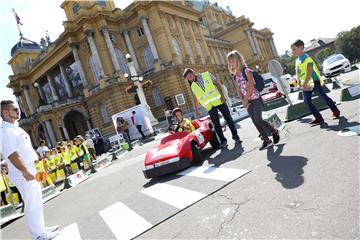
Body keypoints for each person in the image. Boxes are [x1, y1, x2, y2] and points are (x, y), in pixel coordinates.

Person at [0, 100, 59, 240]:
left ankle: (41, 228)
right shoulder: (6, 130)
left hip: (28, 168)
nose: (18, 110)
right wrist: (25, 172)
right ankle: (38, 235)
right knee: (32, 203)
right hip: (22, 172)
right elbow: (12, 154)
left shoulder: (15, 127)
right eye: (15, 109)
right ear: (5, 112)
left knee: (37, 200)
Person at [227, 50, 280, 150]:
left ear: (238, 60)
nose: (231, 63)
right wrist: (243, 101)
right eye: (229, 62)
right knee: (255, 121)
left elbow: (251, 87)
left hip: (255, 98)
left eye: (232, 60)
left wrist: (245, 99)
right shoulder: (235, 75)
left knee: (258, 119)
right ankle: (266, 140)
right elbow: (238, 89)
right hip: (248, 101)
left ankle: (274, 131)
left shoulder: (247, 71)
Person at [183, 68, 241, 148]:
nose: (190, 79)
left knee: (228, 119)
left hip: (219, 100)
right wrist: (196, 111)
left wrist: (222, 96)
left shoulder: (206, 75)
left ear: (193, 73)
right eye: (188, 79)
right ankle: (223, 141)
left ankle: (236, 137)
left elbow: (217, 84)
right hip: (210, 106)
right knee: (216, 125)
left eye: (190, 76)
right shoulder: (193, 86)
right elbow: (196, 98)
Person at [291, 39, 340, 124]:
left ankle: (336, 111)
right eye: (292, 50)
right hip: (305, 85)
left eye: (294, 49)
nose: (293, 51)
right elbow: (298, 73)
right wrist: (298, 82)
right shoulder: (297, 61)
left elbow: (309, 73)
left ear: (301, 47)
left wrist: (304, 84)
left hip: (314, 82)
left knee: (324, 98)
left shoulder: (308, 59)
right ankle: (319, 118)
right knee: (307, 102)